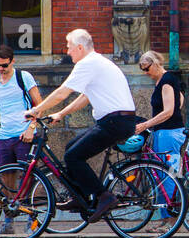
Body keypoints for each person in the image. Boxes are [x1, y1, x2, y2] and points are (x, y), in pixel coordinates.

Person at [23, 29, 136, 222]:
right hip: (115, 120)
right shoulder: (97, 62)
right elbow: (85, 97)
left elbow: (62, 92)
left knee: (73, 156)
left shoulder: (88, 63)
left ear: (80, 47)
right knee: (70, 149)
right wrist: (60, 113)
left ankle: (104, 196)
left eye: (69, 48)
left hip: (115, 121)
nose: (68, 52)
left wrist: (37, 109)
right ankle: (80, 196)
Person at [0, 45, 41, 235]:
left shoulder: (23, 77)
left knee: (27, 177)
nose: (0, 69)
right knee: (7, 180)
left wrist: (32, 128)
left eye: (4, 65)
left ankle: (31, 219)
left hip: (24, 134)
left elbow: (39, 105)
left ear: (12, 61)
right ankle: (9, 220)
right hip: (5, 135)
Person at [135, 50, 185, 233]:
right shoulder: (164, 81)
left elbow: (169, 110)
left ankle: (171, 222)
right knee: (164, 175)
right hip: (166, 132)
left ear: (155, 63)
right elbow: (180, 100)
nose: (145, 73)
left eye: (147, 69)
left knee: (168, 177)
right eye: (143, 70)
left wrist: (146, 124)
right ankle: (166, 220)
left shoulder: (166, 81)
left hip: (168, 133)